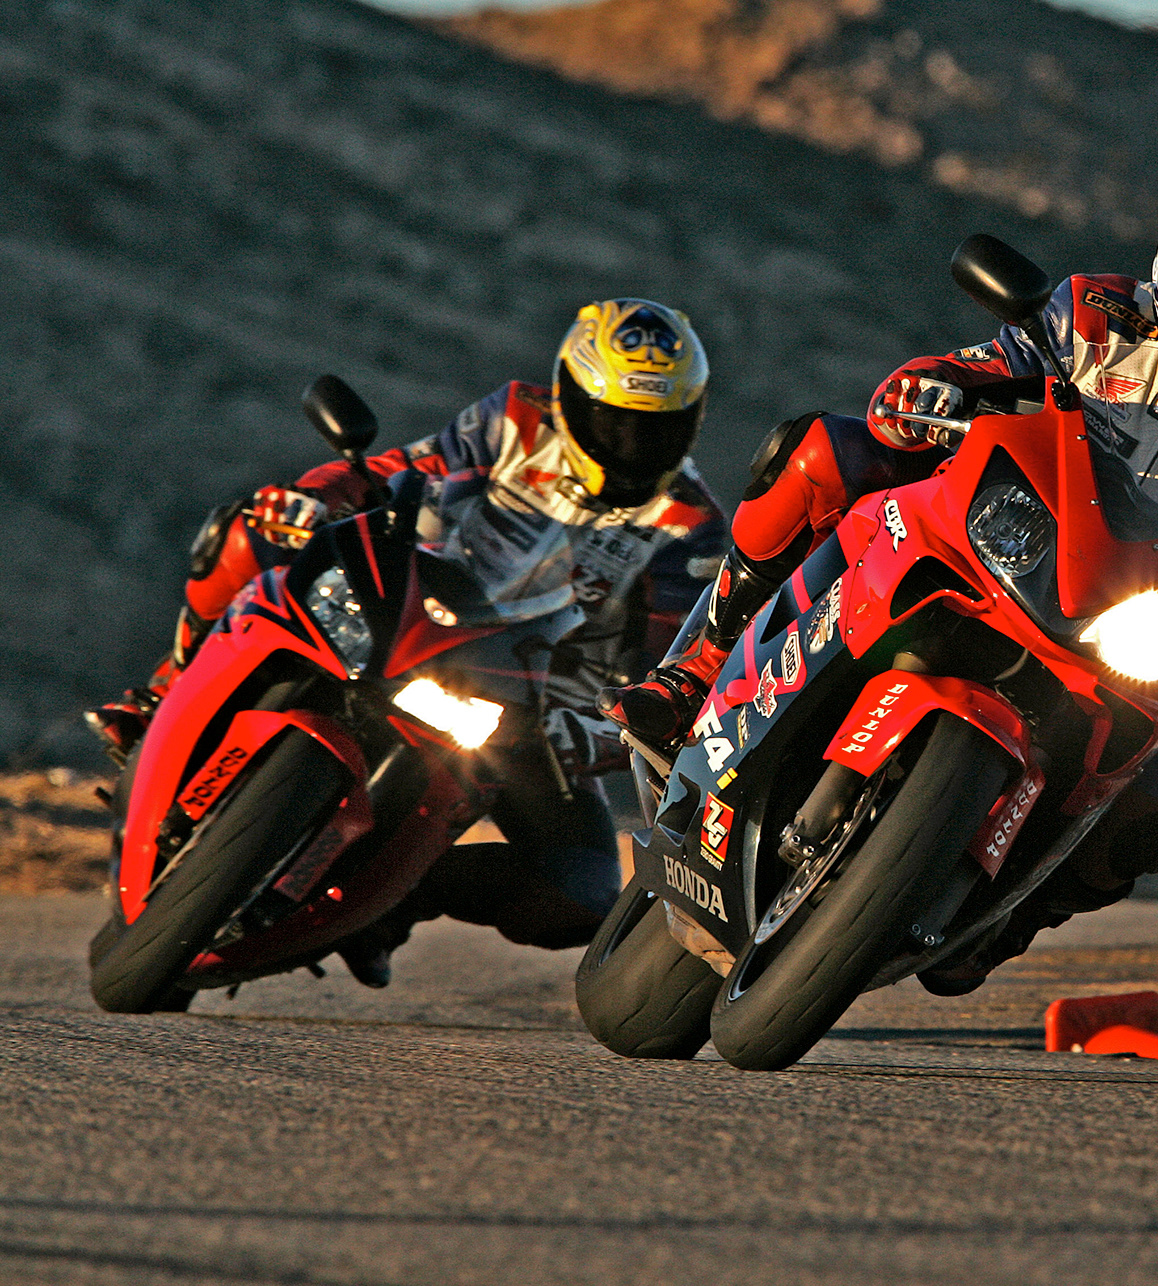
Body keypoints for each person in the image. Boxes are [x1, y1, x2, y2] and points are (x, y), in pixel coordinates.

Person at [602, 155, 1158, 991]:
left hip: (1135, 618)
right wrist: (930, 393)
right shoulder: (1095, 314)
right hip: (1006, 526)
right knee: (821, 452)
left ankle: (1011, 918)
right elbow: (980, 364)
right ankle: (700, 667)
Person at [87, 299, 728, 982]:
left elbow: (671, 667)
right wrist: (316, 497)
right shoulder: (515, 420)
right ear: (571, 393)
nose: (632, 444)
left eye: (655, 429)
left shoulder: (691, 529)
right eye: (615, 420)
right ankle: (161, 692)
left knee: (582, 892)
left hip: (530, 707)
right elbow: (400, 471)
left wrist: (590, 737)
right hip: (408, 611)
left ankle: (396, 900)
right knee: (245, 534)